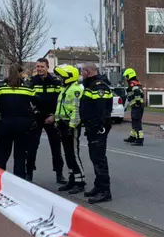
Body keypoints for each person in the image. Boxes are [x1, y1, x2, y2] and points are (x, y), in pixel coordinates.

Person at [0, 63, 38, 180]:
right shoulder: (28, 87)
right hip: (23, 124)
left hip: (5, 123)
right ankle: (18, 180)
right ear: (20, 73)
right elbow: (36, 102)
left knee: (2, 154)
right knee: (20, 155)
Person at [26, 58, 66, 185]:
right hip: (36, 117)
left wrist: (55, 116)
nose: (39, 69)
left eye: (42, 66)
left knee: (56, 147)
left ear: (47, 67)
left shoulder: (55, 82)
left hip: (51, 117)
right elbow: (27, 100)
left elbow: (61, 101)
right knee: (31, 147)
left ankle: (59, 174)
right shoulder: (31, 82)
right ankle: (29, 173)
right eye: (37, 66)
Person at [49, 64, 86, 195]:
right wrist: (57, 123)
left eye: (62, 76)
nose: (60, 79)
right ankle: (72, 179)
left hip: (71, 126)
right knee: (68, 154)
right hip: (63, 125)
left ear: (69, 77)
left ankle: (80, 181)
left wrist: (72, 126)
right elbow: (60, 108)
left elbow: (77, 110)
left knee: (74, 154)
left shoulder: (75, 90)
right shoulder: (66, 89)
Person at [79, 63, 114, 203]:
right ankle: (98, 187)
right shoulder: (91, 85)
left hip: (98, 129)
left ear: (87, 71)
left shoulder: (99, 86)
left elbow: (101, 111)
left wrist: (96, 126)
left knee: (99, 159)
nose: (81, 73)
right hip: (92, 128)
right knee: (94, 157)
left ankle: (105, 191)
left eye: (82, 71)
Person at [122, 68, 145, 146]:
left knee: (136, 122)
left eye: (126, 76)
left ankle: (139, 139)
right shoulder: (136, 83)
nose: (126, 78)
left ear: (129, 75)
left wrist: (137, 102)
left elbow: (137, 92)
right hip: (137, 106)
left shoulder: (133, 84)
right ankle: (132, 137)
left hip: (137, 106)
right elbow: (130, 96)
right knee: (135, 121)